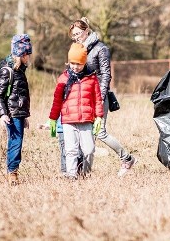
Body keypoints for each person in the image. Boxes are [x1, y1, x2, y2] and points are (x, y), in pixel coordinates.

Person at [68, 17, 136, 176]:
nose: (76, 37)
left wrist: (100, 96)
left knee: (99, 132)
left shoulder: (100, 49)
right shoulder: (78, 49)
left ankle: (126, 158)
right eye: (73, 35)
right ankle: (83, 172)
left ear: (86, 31)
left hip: (98, 96)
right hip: (83, 96)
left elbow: (106, 75)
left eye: (78, 33)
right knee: (85, 133)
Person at [48, 43, 104, 180]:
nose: (75, 66)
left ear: (84, 63)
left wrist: (99, 117)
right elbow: (57, 101)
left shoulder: (91, 78)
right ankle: (71, 175)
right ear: (68, 62)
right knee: (71, 150)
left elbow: (97, 98)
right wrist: (53, 119)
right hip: (68, 120)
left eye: (78, 63)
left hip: (86, 120)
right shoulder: (63, 78)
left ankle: (85, 173)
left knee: (89, 150)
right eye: (72, 63)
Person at [0, 34, 33, 186]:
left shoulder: (20, 70)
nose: (29, 57)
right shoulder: (8, 70)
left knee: (16, 141)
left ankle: (13, 170)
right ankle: (12, 173)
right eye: (27, 54)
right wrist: (3, 114)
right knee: (15, 142)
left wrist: (24, 115)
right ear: (22, 54)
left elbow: (20, 95)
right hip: (11, 113)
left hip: (18, 112)